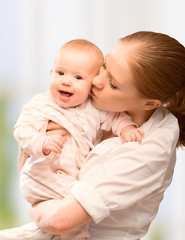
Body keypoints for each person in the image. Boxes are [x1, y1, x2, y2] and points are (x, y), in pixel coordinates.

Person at [25, 31, 185, 240]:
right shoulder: (98, 105)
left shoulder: (148, 150)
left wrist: (35, 206)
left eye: (113, 83)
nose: (97, 80)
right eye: (104, 65)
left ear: (149, 103)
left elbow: (60, 221)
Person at [0, 39, 143, 239]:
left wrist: (126, 128)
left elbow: (116, 118)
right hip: (42, 177)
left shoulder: (95, 109)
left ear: (92, 85)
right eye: (60, 73)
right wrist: (41, 142)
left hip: (69, 179)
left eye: (78, 77)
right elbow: (22, 129)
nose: (66, 81)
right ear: (51, 74)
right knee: (76, 216)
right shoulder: (41, 104)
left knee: (67, 217)